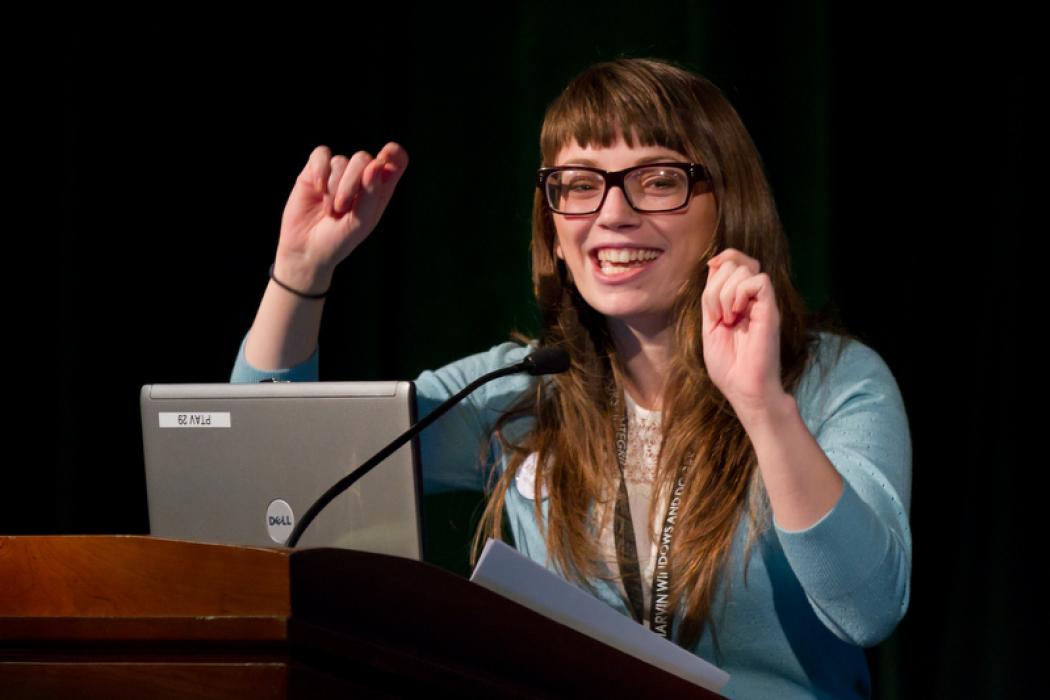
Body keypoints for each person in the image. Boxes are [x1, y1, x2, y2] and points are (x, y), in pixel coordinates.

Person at [231, 58, 911, 698]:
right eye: (580, 185)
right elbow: (271, 478)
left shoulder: (831, 382)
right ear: (555, 232)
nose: (613, 213)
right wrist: (300, 273)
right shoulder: (521, 389)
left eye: (658, 180)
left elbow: (869, 608)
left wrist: (762, 405)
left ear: (727, 207)